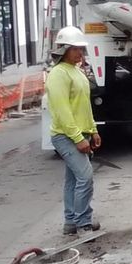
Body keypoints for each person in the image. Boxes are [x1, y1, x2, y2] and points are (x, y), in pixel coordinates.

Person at [46, 26, 102, 236]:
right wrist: (78, 138)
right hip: (65, 136)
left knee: (73, 180)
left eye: (81, 49)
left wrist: (93, 130)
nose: (80, 53)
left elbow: (83, 105)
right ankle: (83, 223)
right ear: (64, 50)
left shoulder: (76, 71)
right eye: (75, 49)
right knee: (85, 177)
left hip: (79, 133)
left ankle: (70, 222)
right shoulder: (58, 74)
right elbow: (62, 111)